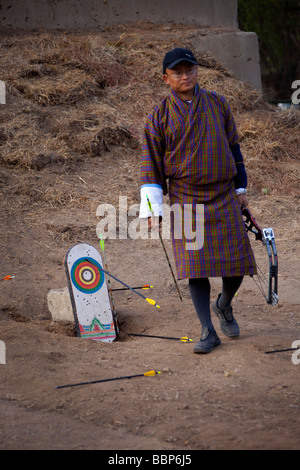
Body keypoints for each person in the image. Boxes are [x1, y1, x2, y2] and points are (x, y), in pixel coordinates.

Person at [139, 48, 257, 353]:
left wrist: (241, 190)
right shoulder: (159, 116)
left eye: (189, 70)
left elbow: (234, 148)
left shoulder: (218, 104)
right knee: (195, 266)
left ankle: (223, 304)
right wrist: (153, 209)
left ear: (197, 71)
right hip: (185, 197)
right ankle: (207, 330)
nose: (185, 76)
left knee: (237, 264)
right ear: (166, 79)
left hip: (223, 194)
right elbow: (150, 163)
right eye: (177, 73)